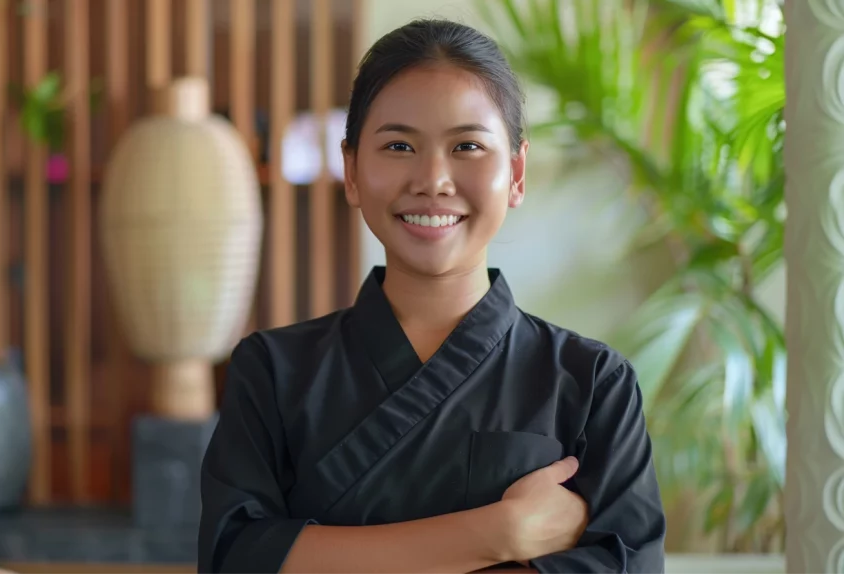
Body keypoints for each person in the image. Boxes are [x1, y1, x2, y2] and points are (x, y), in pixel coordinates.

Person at [198, 18, 667, 574]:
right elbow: (233, 558)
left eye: (467, 145)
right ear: (351, 170)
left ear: (516, 172)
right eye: (399, 145)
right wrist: (497, 533)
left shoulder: (593, 382)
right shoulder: (271, 370)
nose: (433, 179)